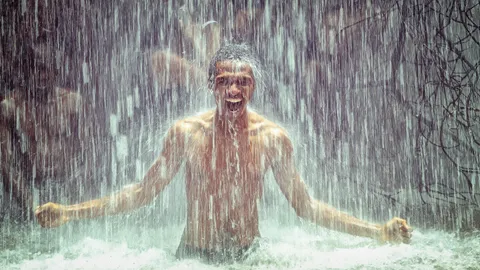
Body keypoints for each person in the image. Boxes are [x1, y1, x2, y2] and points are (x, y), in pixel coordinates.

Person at [35, 44, 412, 263]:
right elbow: (140, 193)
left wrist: (376, 231)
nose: (234, 89)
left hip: (251, 257)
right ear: (212, 87)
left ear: (253, 87)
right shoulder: (186, 134)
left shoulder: (272, 139)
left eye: (242, 82)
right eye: (225, 81)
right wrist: (70, 212)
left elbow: (307, 206)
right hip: (193, 259)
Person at [0, 38, 107, 218]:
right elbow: (6, 165)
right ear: (25, 70)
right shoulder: (10, 108)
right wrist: (33, 210)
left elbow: (92, 155)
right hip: (28, 191)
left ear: (56, 70)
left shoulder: (73, 103)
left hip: (69, 189)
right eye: (34, 68)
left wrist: (71, 207)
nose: (40, 75)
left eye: (45, 69)